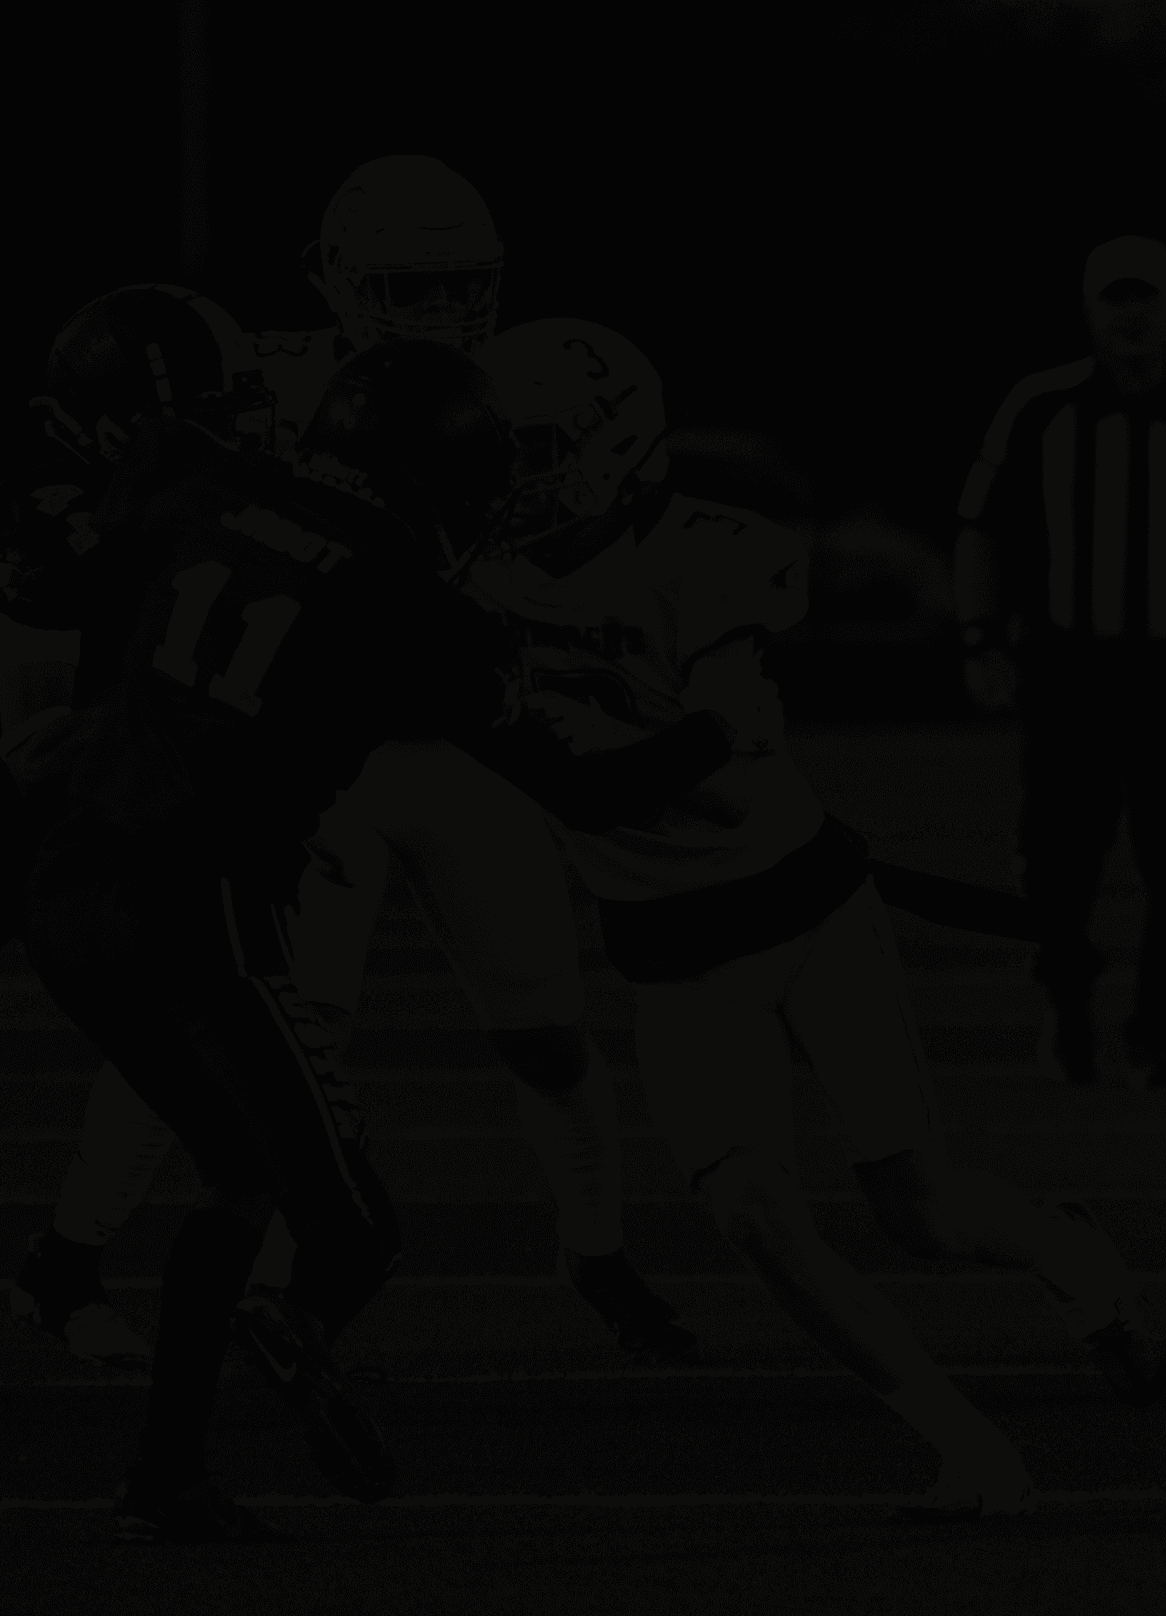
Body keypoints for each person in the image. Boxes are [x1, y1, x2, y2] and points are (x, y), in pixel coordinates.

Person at [28, 336, 730, 1542]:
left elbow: (107, 542)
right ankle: (284, 1331)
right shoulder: (417, 605)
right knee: (352, 1230)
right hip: (196, 908)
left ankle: (168, 1471)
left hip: (62, 882)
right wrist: (721, 727)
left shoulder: (202, 474)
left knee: (242, 1170)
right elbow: (595, 792)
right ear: (436, 473)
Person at [471, 318, 1166, 1522]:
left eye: (536, 448)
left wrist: (580, 744)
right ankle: (964, 1441)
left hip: (803, 907)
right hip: (671, 948)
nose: (512, 476)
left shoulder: (711, 550)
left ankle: (1073, 1256)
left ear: (614, 444)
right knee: (752, 1213)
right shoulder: (470, 578)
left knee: (921, 1211)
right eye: (499, 450)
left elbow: (731, 781)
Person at [14, 155, 693, 1367]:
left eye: (461, 282)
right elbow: (134, 507)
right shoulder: (256, 382)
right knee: (252, 1016)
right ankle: (88, 1255)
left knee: (543, 1027)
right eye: (408, 284)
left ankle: (595, 1248)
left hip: (456, 747)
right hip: (300, 744)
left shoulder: (528, 382)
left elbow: (575, 550)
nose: (441, 309)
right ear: (329, 278)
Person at [7, 287, 272, 1374]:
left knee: (200, 1046)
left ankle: (69, 1267)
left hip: (100, 826)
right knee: (208, 1048)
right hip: (60, 825)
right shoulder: (69, 521)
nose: (220, 430)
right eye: (193, 412)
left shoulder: (153, 503)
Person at [955, 236, 1166, 1088]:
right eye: (1115, 298)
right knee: (1058, 859)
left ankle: (1162, 1018)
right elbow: (982, 524)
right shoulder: (1041, 406)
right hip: (1073, 668)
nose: (1131, 315)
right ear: (1089, 309)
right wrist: (980, 639)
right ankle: (1067, 1001)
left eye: (1146, 297)